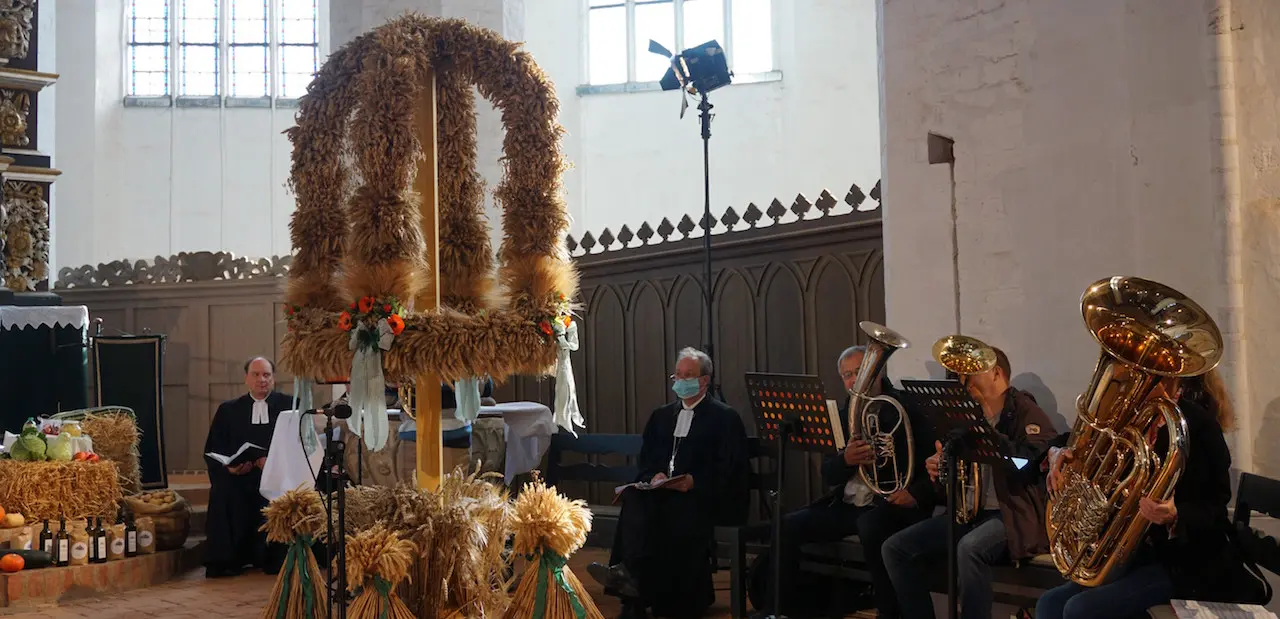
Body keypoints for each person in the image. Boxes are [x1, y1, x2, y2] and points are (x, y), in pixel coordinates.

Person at [1035, 369, 1265, 619]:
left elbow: (1215, 507)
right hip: (1131, 554)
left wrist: (1176, 514)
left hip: (1184, 562)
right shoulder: (1127, 417)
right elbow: (1073, 441)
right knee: (1049, 604)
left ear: (1167, 378)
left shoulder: (1199, 425)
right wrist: (1056, 452)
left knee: (1079, 610)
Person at [754, 345, 935, 618]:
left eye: (858, 372)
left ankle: (890, 613)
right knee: (786, 524)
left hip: (888, 503)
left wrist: (916, 493)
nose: (853, 380)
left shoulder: (906, 406)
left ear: (876, 370)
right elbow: (828, 473)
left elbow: (931, 460)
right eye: (847, 375)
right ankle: (778, 611)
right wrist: (845, 461)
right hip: (847, 505)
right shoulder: (842, 413)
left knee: (871, 527)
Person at [881, 346, 1057, 619]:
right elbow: (954, 484)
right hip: (968, 513)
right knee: (895, 548)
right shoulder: (966, 416)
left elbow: (1029, 464)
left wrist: (988, 436)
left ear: (997, 373)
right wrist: (941, 469)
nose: (965, 379)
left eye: (972, 372)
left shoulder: (1024, 410)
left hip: (1009, 515)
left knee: (970, 548)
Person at [588, 347, 750, 619]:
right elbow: (647, 462)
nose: (682, 380)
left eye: (689, 375)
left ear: (704, 381)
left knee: (669, 511)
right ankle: (632, 584)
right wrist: (655, 477)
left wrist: (694, 481)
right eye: (679, 374)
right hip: (666, 494)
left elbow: (732, 471)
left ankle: (634, 586)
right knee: (636, 498)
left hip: (707, 497)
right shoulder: (661, 417)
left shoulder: (725, 418)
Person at [203, 356, 294, 578]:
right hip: (240, 477)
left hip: (276, 477)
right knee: (222, 492)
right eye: (256, 374)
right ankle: (226, 560)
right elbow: (214, 449)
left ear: (273, 379)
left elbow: (299, 444)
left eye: (266, 375)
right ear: (246, 378)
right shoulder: (228, 410)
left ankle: (274, 558)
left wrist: (272, 464)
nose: (261, 379)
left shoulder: (289, 405)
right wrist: (230, 468)